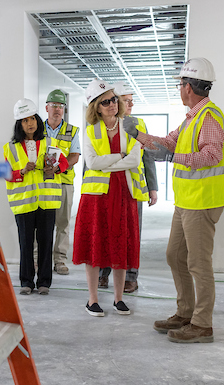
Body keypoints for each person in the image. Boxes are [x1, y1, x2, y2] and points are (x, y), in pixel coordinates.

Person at [124, 58, 224, 343]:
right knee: (175, 256)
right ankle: (185, 312)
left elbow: (212, 155)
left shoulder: (209, 117)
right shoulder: (192, 117)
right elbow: (168, 142)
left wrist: (174, 157)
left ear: (188, 87)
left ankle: (202, 324)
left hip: (202, 201)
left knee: (199, 263)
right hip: (187, 201)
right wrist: (137, 135)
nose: (179, 89)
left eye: (180, 84)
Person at [73, 79, 146, 317]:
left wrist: (108, 162)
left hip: (124, 194)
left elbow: (135, 160)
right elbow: (91, 162)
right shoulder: (90, 130)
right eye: (106, 102)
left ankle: (118, 299)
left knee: (121, 244)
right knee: (95, 246)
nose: (112, 104)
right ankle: (92, 299)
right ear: (96, 106)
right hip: (97, 197)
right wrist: (119, 156)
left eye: (114, 99)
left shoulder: (132, 124)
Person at [4, 98, 68, 295]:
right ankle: (26, 282)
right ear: (19, 124)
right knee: (25, 243)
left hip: (47, 201)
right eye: (24, 120)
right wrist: (21, 172)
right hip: (23, 204)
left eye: (32, 118)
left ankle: (44, 283)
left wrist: (55, 168)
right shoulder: (10, 147)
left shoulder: (50, 142)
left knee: (45, 241)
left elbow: (64, 164)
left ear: (38, 120)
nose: (29, 123)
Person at [99, 82, 158, 293]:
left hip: (133, 188)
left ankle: (131, 277)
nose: (131, 104)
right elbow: (94, 159)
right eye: (126, 100)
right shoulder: (101, 125)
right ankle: (103, 273)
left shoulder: (139, 124)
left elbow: (148, 157)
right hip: (106, 187)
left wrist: (153, 187)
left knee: (132, 234)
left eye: (132, 100)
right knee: (106, 230)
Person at [43, 89, 81, 275]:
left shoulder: (71, 131)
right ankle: (38, 260)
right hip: (41, 184)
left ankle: (59, 260)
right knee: (41, 223)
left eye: (61, 106)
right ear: (46, 108)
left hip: (64, 182)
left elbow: (75, 156)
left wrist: (60, 168)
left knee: (63, 223)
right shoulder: (37, 129)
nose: (57, 110)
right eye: (54, 106)